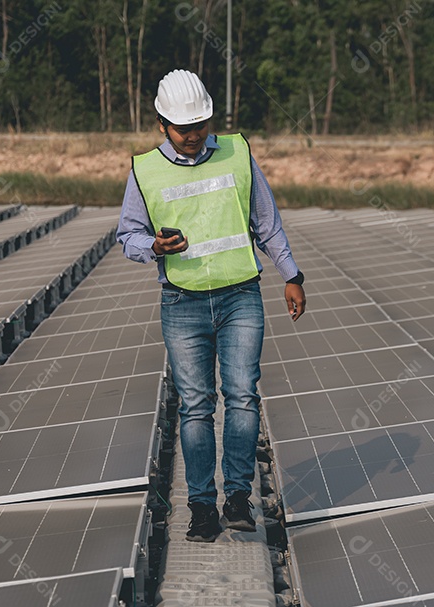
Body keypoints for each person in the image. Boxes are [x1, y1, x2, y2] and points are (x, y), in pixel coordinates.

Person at [117, 69, 306, 542]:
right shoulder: (145, 170)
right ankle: (202, 507)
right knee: (197, 407)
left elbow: (266, 221)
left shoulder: (237, 152)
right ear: (162, 124)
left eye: (200, 125)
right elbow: (128, 235)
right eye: (184, 128)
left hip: (240, 293)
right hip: (182, 303)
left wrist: (292, 274)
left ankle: (237, 498)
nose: (194, 136)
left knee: (243, 396)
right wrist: (155, 248)